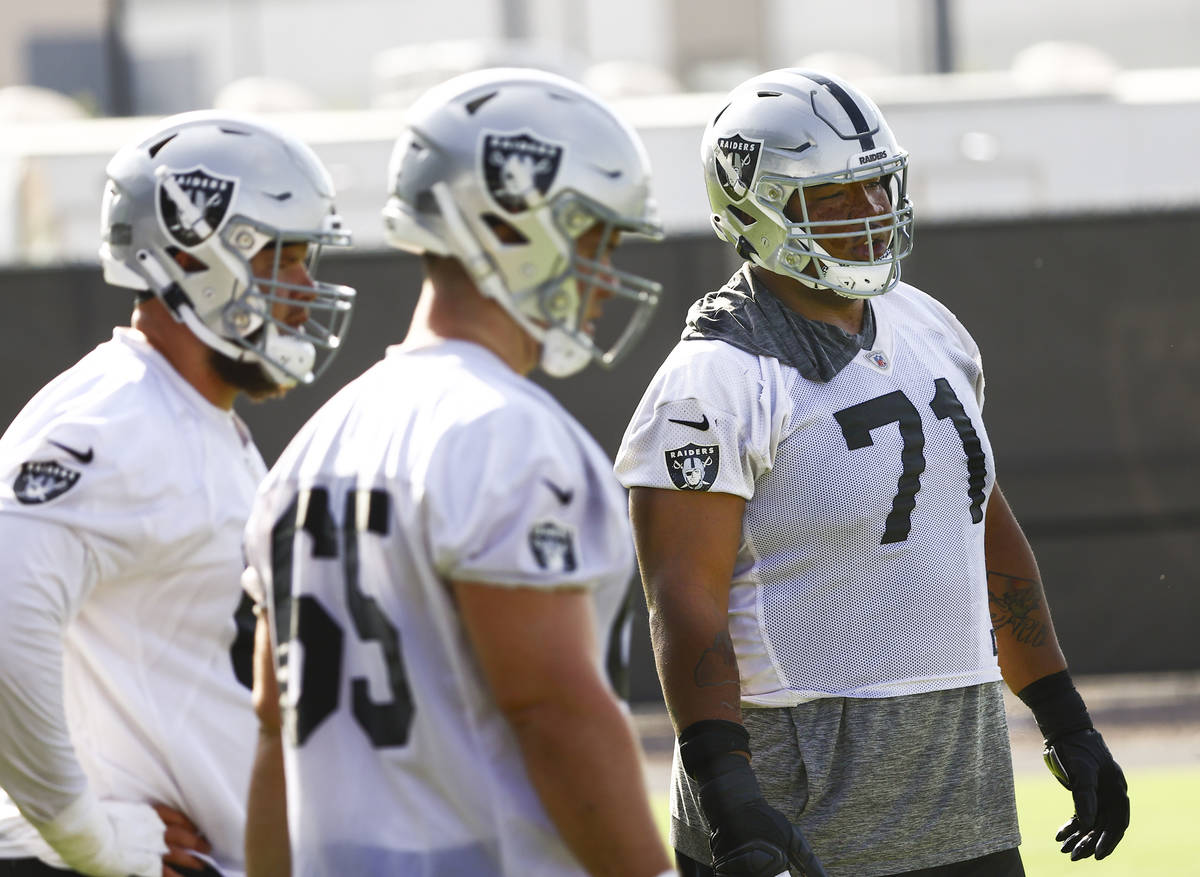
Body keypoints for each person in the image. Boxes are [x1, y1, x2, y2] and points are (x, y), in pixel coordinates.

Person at [615, 68, 1130, 877]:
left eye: (875, 186)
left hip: (964, 792)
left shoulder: (930, 325)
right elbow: (683, 597)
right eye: (834, 197)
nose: (869, 215)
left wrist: (1064, 716)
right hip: (803, 802)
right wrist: (722, 782)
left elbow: (975, 522)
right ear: (756, 205)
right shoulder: (715, 376)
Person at [238, 67, 675, 877]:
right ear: (513, 224)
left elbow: (272, 729)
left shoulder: (315, 443)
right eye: (591, 237)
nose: (604, 271)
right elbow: (553, 711)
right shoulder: (503, 432)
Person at [0, 111, 356, 877]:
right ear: (194, 255)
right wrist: (88, 835)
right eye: (282, 256)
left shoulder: (187, 417)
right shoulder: (114, 419)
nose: (304, 286)